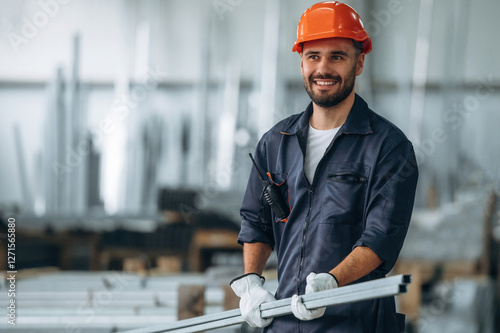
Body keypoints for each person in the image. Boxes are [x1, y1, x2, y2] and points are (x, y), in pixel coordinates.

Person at [230, 1, 418, 332]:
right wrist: (251, 283)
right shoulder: (276, 142)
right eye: (313, 56)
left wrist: (331, 283)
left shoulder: (389, 147)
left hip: (358, 323)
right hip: (287, 320)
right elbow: (256, 223)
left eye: (337, 56)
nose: (323, 69)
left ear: (359, 63)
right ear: (301, 62)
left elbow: (381, 237)